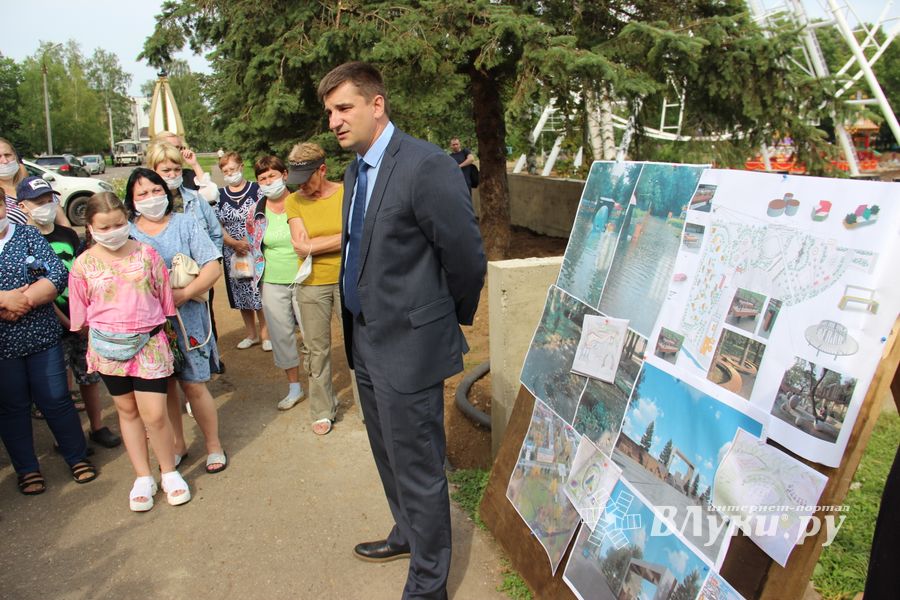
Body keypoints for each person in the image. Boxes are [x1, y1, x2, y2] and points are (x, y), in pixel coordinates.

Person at [319, 62, 486, 598]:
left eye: (344, 108)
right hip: (365, 338)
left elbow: (466, 258)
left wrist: (437, 320)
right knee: (388, 453)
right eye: (330, 112)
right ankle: (409, 533)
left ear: (377, 104)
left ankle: (429, 582)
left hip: (410, 347)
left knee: (418, 465)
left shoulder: (426, 165)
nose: (335, 121)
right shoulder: (355, 172)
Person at [68, 192, 189, 511]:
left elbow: (164, 299)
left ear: (127, 221)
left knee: (155, 414)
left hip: (149, 344)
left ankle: (169, 471)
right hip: (108, 349)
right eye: (104, 227)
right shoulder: (83, 264)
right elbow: (80, 312)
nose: (113, 232)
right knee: (127, 411)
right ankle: (142, 476)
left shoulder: (147, 254)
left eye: (118, 224)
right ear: (90, 228)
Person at [126, 168, 228, 475]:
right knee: (165, 387)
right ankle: (177, 444)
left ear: (166, 192)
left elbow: (212, 266)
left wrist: (185, 294)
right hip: (150, 326)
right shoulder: (127, 233)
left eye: (156, 190)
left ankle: (213, 445)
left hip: (188, 319)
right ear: (132, 200)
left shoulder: (185, 224)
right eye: (142, 193)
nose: (151, 198)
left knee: (194, 384)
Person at [0, 198, 97, 495]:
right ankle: (27, 469)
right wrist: (3, 300)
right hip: (3, 348)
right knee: (12, 407)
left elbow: (55, 274)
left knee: (56, 399)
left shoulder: (28, 235)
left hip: (42, 336)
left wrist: (22, 301)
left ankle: (76, 456)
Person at [15, 176, 121, 449]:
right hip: (52, 324)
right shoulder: (23, 242)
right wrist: (67, 320)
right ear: (23, 206)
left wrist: (85, 317)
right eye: (38, 202)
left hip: (81, 321)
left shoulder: (68, 235)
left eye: (48, 200)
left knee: (89, 376)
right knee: (59, 387)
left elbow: (82, 277)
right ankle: (66, 437)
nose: (45, 206)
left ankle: (97, 426)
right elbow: (37, 289)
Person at [146, 141, 225, 374]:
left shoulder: (194, 200)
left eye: (177, 169)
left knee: (200, 327)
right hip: (157, 288)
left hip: (196, 282)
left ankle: (202, 369)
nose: (172, 175)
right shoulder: (142, 206)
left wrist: (207, 265)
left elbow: (215, 233)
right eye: (166, 170)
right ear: (153, 171)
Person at [285, 142, 344, 434]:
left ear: (322, 170)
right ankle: (322, 409)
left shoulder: (346, 192)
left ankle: (370, 406)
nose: (302, 186)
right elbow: (300, 245)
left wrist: (316, 245)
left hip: (347, 278)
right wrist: (341, 239)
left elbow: (357, 233)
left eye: (306, 179)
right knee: (316, 349)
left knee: (360, 345)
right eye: (296, 181)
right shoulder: (294, 201)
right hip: (311, 283)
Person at [246, 155, 306, 410]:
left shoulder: (301, 201)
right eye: (262, 178)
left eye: (272, 175)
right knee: (281, 336)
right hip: (272, 281)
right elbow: (253, 245)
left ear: (284, 175)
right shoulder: (256, 212)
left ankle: (321, 384)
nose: (268, 181)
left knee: (312, 334)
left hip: (305, 279)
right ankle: (294, 387)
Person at [216, 151, 269, 350]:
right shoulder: (219, 195)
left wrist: (249, 241)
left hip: (255, 249)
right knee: (241, 293)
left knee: (259, 291)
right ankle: (251, 334)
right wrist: (232, 243)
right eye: (225, 171)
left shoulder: (257, 189)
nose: (230, 173)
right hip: (233, 252)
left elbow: (264, 215)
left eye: (233, 169)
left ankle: (266, 336)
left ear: (241, 166)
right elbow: (215, 223)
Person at [1, 137, 70, 227]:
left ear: (16, 157)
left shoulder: (38, 187)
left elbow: (63, 223)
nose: (5, 161)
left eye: (7, 155)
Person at [151, 131, 218, 199]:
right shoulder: (148, 179)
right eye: (171, 147)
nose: (173, 175)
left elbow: (211, 196)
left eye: (179, 148)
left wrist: (195, 164)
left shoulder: (188, 175)